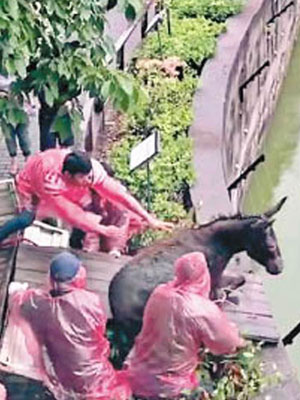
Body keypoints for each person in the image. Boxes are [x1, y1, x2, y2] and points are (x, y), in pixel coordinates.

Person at [9, 251, 131, 400]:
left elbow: (17, 296)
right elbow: (100, 332)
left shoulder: (36, 303)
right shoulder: (90, 301)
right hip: (96, 379)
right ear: (77, 277)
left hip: (62, 381)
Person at [124, 252, 245, 399]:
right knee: (209, 385)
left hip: (137, 375)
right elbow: (227, 345)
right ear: (204, 274)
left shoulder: (159, 292)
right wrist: (234, 332)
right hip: (168, 388)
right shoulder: (202, 309)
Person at [0, 148, 173, 243]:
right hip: (31, 185)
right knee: (25, 219)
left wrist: (148, 217)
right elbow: (74, 215)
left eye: (89, 177)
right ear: (68, 175)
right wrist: (103, 230)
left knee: (85, 207)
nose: (88, 181)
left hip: (61, 189)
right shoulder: (51, 180)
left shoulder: (90, 171)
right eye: (83, 178)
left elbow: (119, 194)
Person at [0, 75, 33, 176]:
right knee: (9, 136)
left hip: (22, 107)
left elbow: (28, 85)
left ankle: (28, 159)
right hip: (5, 108)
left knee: (23, 135)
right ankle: (13, 160)